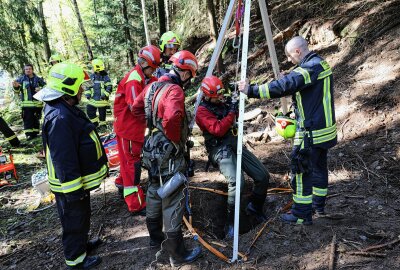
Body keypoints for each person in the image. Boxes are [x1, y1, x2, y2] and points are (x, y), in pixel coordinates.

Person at [239, 36, 336, 225]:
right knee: (319, 169)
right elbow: (304, 86)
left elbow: (283, 87)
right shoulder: (321, 63)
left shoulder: (308, 69)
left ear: (298, 51)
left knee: (300, 172)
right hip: (325, 130)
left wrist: (251, 90)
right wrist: (291, 77)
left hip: (311, 134)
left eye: (291, 56)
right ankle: (318, 206)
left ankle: (300, 214)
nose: (290, 60)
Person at [34, 63, 108, 269]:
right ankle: (76, 261)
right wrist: (74, 190)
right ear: (68, 88)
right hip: (69, 185)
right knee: (74, 221)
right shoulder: (60, 117)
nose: (83, 90)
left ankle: (82, 246)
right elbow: (64, 159)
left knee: (82, 216)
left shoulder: (64, 109)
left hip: (74, 183)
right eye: (80, 87)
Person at [132, 50, 201, 267]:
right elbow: (171, 118)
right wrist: (173, 141)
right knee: (172, 197)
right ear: (184, 73)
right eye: (189, 75)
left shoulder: (152, 86)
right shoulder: (175, 91)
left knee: (154, 187)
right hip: (168, 151)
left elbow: (135, 108)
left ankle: (155, 239)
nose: (189, 80)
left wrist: (153, 124)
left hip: (151, 148)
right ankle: (177, 254)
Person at [196, 76, 270, 238]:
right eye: (217, 95)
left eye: (222, 94)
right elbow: (218, 129)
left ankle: (254, 207)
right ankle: (231, 222)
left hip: (234, 143)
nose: (221, 97)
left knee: (262, 175)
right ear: (207, 95)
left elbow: (233, 116)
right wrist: (230, 113)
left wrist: (235, 105)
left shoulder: (223, 103)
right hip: (219, 148)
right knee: (237, 181)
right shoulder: (202, 111)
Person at [113, 45, 161, 212]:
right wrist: (156, 120)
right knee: (132, 163)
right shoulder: (134, 80)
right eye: (152, 68)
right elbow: (136, 108)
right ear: (143, 63)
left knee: (127, 160)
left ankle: (121, 182)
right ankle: (135, 203)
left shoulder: (146, 77)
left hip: (132, 128)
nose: (153, 72)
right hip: (128, 128)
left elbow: (155, 85)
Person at [12, 64, 46, 140]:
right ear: (24, 70)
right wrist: (16, 87)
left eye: (29, 69)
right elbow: (16, 91)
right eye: (26, 69)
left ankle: (35, 133)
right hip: (26, 105)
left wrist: (40, 89)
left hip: (38, 104)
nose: (28, 70)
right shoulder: (20, 79)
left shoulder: (38, 79)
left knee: (36, 119)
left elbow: (45, 88)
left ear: (32, 70)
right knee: (27, 119)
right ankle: (29, 134)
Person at [85, 59, 113, 127]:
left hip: (102, 100)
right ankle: (95, 123)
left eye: (92, 66)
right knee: (89, 110)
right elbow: (88, 86)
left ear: (96, 67)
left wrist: (105, 95)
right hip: (93, 99)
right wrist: (88, 94)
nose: (92, 68)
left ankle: (103, 125)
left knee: (102, 114)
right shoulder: (91, 76)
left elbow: (109, 86)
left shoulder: (105, 77)